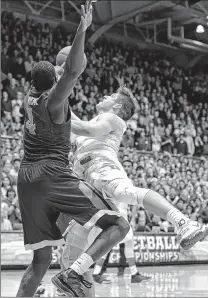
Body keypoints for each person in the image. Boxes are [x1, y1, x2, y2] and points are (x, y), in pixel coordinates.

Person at [16, 2, 130, 297]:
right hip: (52, 174)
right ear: (55, 81)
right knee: (118, 224)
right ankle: (75, 273)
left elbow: (59, 76)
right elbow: (74, 69)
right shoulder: (53, 101)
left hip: (26, 177)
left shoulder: (28, 99)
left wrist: (55, 69)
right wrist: (82, 30)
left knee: (40, 261)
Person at [55, 85, 207, 296]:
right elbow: (73, 122)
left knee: (125, 192)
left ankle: (183, 222)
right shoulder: (93, 120)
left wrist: (56, 101)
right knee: (71, 253)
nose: (104, 95)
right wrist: (56, 92)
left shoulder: (113, 119)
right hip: (86, 183)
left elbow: (83, 128)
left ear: (116, 106)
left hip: (103, 167)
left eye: (109, 95)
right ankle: (75, 277)